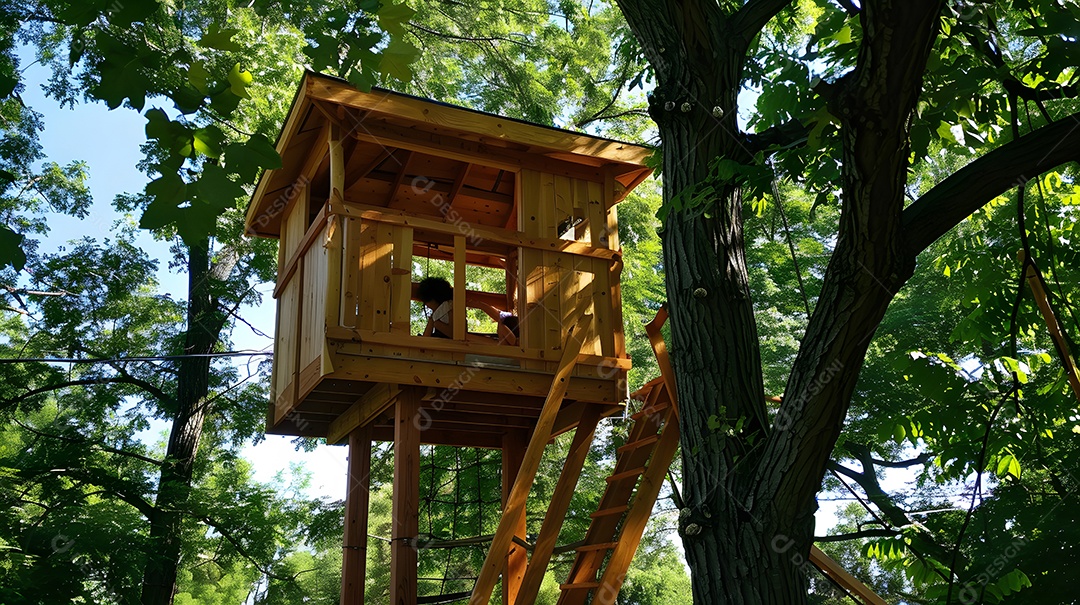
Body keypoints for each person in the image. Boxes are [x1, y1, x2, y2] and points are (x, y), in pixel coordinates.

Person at [416, 277, 519, 345]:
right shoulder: (445, 310)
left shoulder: (451, 308)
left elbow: (457, 334)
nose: (426, 305)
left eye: (427, 301)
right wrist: (479, 305)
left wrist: (435, 323)